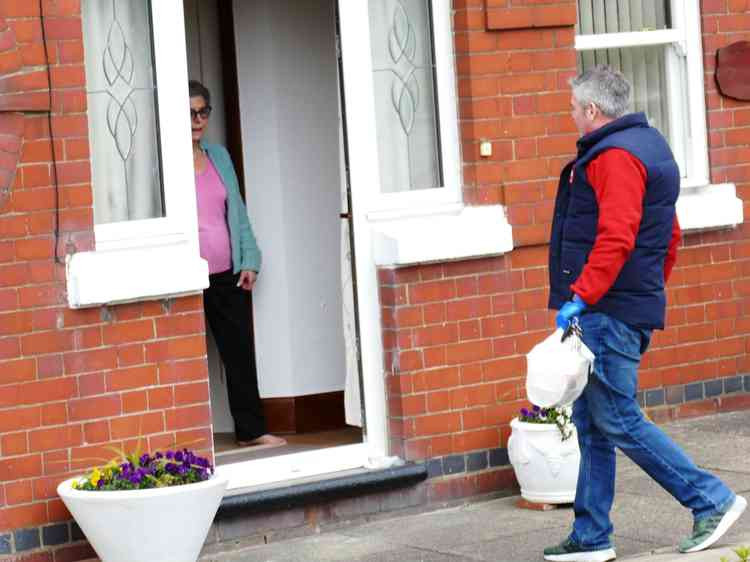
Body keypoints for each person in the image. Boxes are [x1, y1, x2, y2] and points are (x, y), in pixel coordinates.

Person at [544, 65, 745, 562]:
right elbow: (668, 235)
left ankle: (711, 500)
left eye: (572, 108)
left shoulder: (613, 157)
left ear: (592, 110)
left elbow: (617, 236)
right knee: (592, 422)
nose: (570, 115)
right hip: (623, 304)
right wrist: (645, 289)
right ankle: (592, 536)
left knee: (618, 420)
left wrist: (583, 296)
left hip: (607, 311)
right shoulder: (650, 146)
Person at [189, 80, 285, 448]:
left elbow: (238, 211)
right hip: (187, 274)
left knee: (239, 351)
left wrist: (250, 259)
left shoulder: (219, 156)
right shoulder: (166, 163)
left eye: (203, 112)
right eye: (190, 113)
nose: (197, 120)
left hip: (227, 271)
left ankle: (251, 430)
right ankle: (189, 438)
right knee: (185, 354)